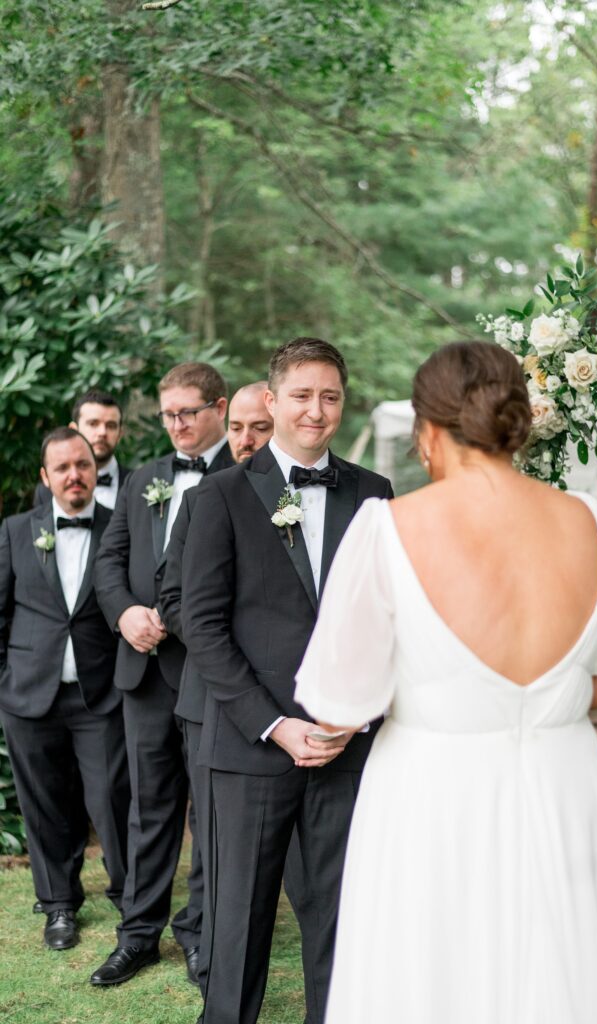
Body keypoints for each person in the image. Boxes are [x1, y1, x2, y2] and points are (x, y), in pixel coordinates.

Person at [295, 340, 597, 1024]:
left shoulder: (387, 527)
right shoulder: (588, 522)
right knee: (560, 977)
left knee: (434, 979)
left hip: (433, 793)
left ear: (428, 432)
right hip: (561, 784)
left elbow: (340, 701)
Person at [181, 337, 393, 1024]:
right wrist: (275, 724)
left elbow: (385, 618)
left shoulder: (374, 494)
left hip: (346, 748)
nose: (316, 410)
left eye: (330, 396)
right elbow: (203, 627)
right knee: (237, 926)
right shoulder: (219, 496)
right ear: (271, 401)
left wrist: (354, 716)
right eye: (302, 395)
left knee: (340, 923)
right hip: (249, 749)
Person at [91, 363, 234, 987]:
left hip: (208, 675)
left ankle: (201, 934)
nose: (176, 425)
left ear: (219, 408)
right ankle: (138, 936)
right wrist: (124, 614)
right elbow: (109, 561)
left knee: (208, 815)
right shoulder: (145, 479)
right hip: (142, 673)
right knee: (148, 809)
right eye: (168, 414)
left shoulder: (245, 476)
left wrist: (181, 621)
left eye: (188, 412)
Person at [158, 380, 274, 996]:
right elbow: (172, 596)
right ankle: (206, 946)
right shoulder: (206, 498)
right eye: (238, 429)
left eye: (259, 428)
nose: (247, 440)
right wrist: (216, 638)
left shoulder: (308, 498)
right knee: (216, 841)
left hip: (298, 706)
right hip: (210, 701)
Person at [0, 427, 129, 951]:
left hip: (101, 696)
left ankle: (131, 898)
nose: (74, 475)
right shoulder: (14, 531)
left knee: (113, 802)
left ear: (94, 468)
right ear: (45, 476)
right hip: (30, 695)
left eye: (82, 464)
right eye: (62, 468)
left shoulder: (119, 526)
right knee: (45, 805)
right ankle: (58, 904)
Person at [34, 390, 129, 509]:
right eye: (93, 424)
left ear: (120, 434)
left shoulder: (139, 483)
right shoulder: (45, 491)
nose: (102, 432)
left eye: (111, 426)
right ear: (74, 429)